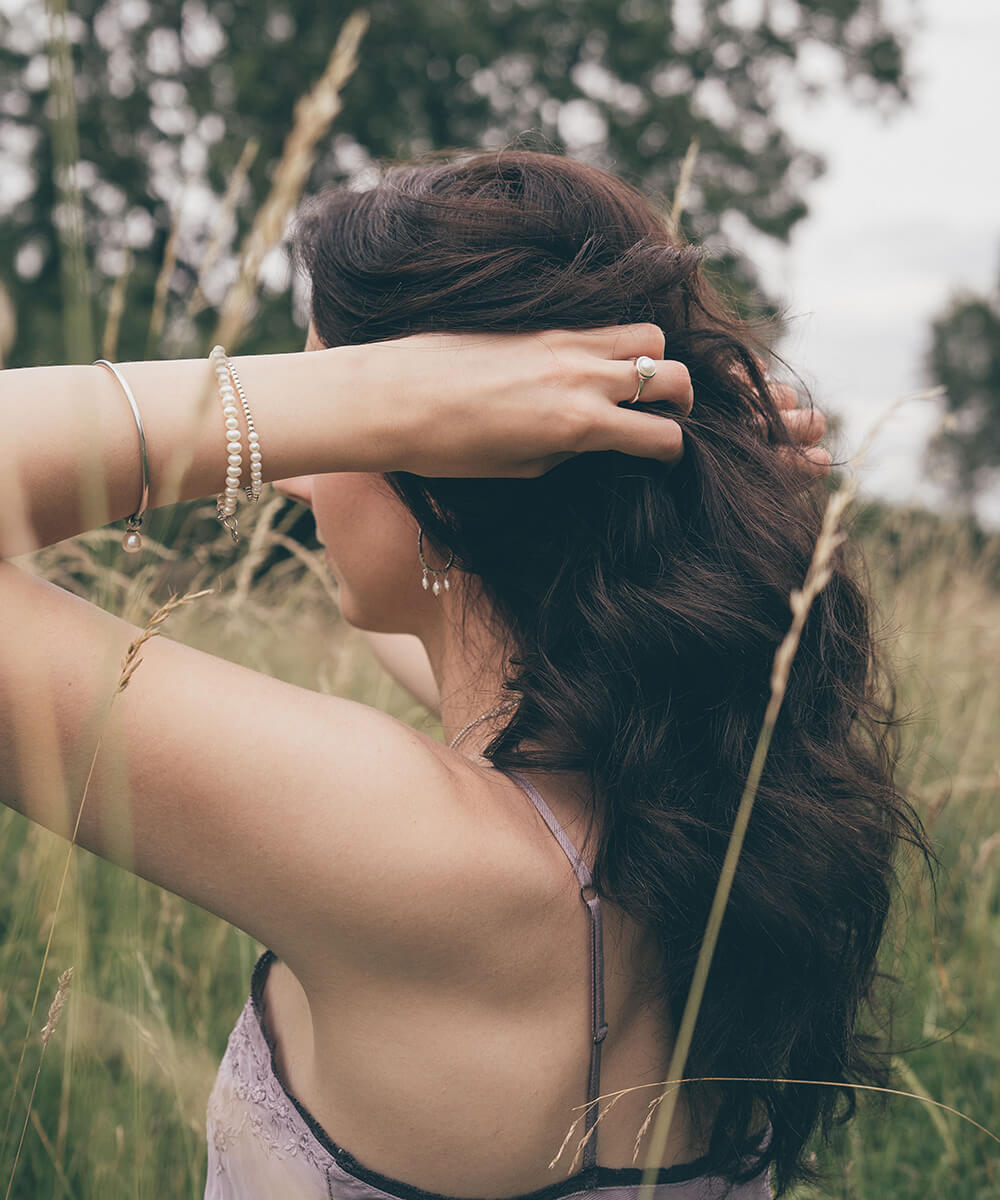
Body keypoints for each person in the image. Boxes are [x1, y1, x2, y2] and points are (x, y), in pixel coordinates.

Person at [0, 149, 919, 1200]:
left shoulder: (414, 851)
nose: (296, 479)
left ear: (433, 455)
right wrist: (694, 470)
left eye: (340, 414)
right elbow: (480, 655)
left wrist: (300, 401)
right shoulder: (719, 791)